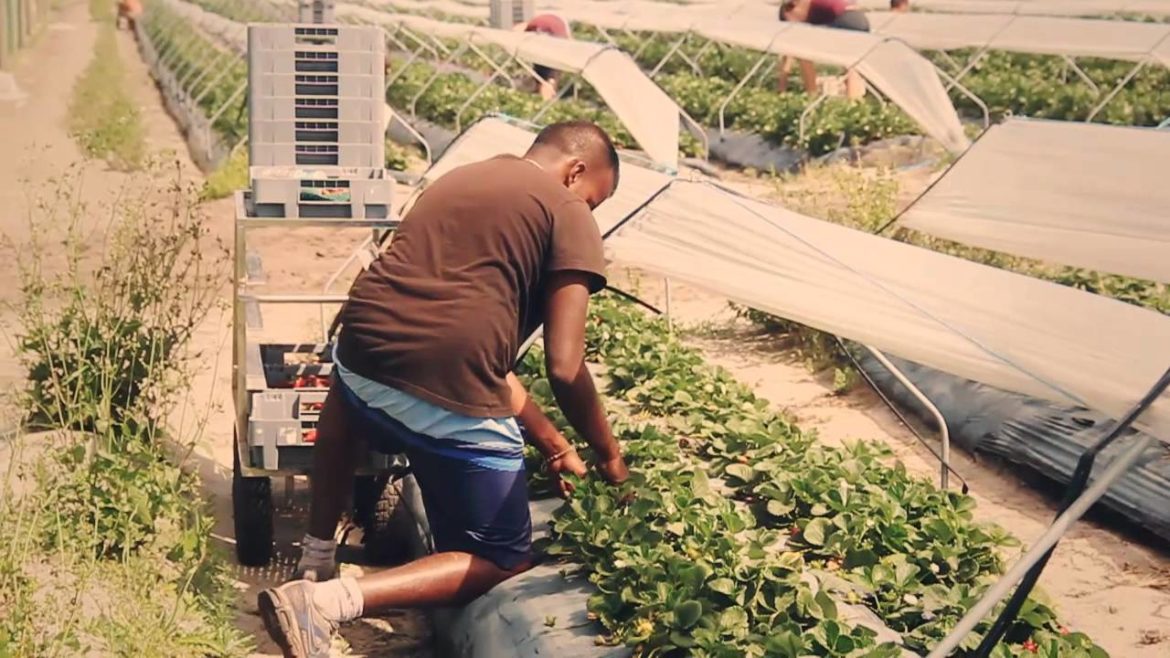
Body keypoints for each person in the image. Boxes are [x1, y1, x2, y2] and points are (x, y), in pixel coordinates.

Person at [256, 120, 629, 658]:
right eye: (595, 200)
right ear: (576, 172)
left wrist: (554, 443)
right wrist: (611, 461)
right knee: (502, 554)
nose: (589, 212)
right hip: (439, 383)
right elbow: (565, 367)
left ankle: (315, 557)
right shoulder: (565, 211)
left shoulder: (463, 177)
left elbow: (470, 349)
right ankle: (323, 604)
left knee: (354, 386)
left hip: (361, 357)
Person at [777, 0, 870, 100]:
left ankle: (812, 95)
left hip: (846, 18)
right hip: (860, 19)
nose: (793, 26)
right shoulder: (809, 9)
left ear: (789, 11)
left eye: (789, 21)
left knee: (804, 54)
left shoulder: (800, 5)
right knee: (851, 63)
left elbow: (790, 53)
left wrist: (782, 87)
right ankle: (853, 101)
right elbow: (788, 54)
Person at [512, 13, 573, 101]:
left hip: (550, 45)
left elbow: (517, 30)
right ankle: (548, 99)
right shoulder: (543, 22)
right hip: (556, 43)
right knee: (551, 76)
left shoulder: (533, 26)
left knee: (547, 78)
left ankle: (546, 101)